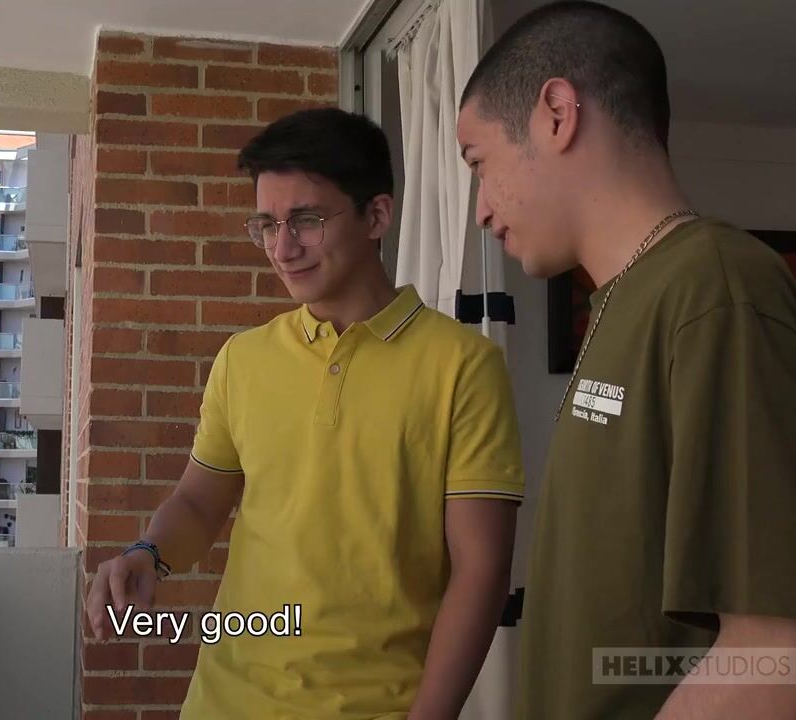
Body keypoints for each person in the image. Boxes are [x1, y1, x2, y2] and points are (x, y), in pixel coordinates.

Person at [455, 2, 796, 718]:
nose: (479, 208)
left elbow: (790, 661)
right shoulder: (624, 302)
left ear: (557, 115)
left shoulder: (716, 288)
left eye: (479, 163)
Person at [86, 108, 526, 719]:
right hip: (223, 702)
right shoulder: (243, 359)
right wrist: (148, 554)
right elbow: (199, 502)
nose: (282, 248)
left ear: (377, 216)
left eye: (307, 221)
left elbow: (481, 571)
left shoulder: (463, 367)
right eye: (267, 224)